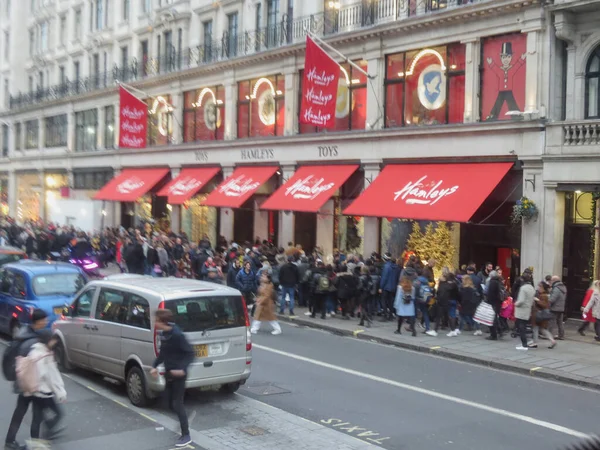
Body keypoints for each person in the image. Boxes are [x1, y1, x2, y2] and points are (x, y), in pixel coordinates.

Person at [5, 310, 50, 450]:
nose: (47, 322)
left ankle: (10, 440)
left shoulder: (24, 333)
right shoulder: (32, 341)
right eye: (45, 320)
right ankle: (35, 444)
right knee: (37, 414)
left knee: (20, 411)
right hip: (32, 383)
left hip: (22, 382)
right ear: (39, 322)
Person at [151, 309, 195, 448]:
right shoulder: (165, 334)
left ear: (163, 322)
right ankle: (185, 418)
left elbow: (190, 354)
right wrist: (155, 366)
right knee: (168, 403)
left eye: (156, 320)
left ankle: (186, 435)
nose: (154, 323)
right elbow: (163, 353)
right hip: (169, 373)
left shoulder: (177, 335)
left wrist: (182, 369)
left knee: (177, 404)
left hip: (179, 374)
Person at [28, 330, 67, 442]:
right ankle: (46, 432)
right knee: (59, 413)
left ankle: (34, 442)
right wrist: (61, 393)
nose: (55, 342)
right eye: (53, 340)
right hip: (45, 393)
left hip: (34, 391)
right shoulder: (45, 355)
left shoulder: (34, 350)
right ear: (48, 340)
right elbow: (50, 378)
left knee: (36, 418)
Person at [529, 281, 557, 349]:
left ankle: (535, 343)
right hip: (541, 315)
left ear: (543, 288)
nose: (538, 288)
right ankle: (552, 340)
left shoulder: (543, 295)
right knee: (542, 329)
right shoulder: (543, 294)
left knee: (535, 328)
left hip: (539, 315)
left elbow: (545, 305)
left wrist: (537, 300)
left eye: (540, 286)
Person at [514, 272, 535, 351]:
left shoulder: (523, 288)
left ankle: (524, 344)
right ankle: (525, 343)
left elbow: (521, 300)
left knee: (521, 328)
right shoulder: (531, 288)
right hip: (528, 309)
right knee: (523, 326)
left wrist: (516, 303)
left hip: (521, 310)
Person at [379, 254, 400, 321]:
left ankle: (385, 315)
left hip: (386, 286)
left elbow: (384, 278)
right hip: (393, 286)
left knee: (384, 301)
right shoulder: (396, 267)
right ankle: (391, 315)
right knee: (390, 301)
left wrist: (381, 287)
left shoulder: (386, 266)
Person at [549, 275, 567, 340]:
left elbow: (553, 299)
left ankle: (549, 335)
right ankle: (561, 335)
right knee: (560, 322)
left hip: (555, 308)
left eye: (551, 280)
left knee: (551, 322)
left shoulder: (556, 288)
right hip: (561, 308)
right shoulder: (563, 287)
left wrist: (548, 299)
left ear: (554, 280)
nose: (550, 281)